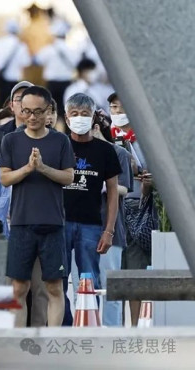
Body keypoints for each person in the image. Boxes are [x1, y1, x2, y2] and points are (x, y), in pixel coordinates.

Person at [0, 86, 75, 327]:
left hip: (53, 223)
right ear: (19, 110)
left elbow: (69, 177)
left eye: (38, 111)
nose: (32, 117)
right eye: (27, 111)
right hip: (21, 222)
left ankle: (53, 342)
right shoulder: (11, 140)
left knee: (54, 286)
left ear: (49, 111)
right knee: (19, 286)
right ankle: (17, 342)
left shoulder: (60, 140)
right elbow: (5, 178)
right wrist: (29, 168)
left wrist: (43, 168)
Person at [60, 93, 121, 326]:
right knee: (58, 278)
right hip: (61, 223)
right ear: (66, 118)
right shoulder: (59, 144)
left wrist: (109, 230)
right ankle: (64, 327)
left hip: (91, 225)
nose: (79, 118)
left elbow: (113, 191)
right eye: (74, 114)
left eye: (84, 114)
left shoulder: (105, 151)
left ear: (93, 116)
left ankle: (90, 328)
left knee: (89, 280)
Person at [108, 92, 151, 326]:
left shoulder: (145, 139)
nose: (118, 113)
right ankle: (113, 323)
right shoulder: (105, 136)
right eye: (114, 107)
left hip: (137, 204)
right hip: (111, 207)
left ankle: (134, 325)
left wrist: (139, 170)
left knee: (134, 268)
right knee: (113, 267)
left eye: (122, 108)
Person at [91, 110, 134, 327]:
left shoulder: (118, 153)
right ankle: (87, 331)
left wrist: (104, 185)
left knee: (110, 286)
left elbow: (126, 187)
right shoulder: (72, 151)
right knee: (86, 286)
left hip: (112, 227)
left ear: (96, 128)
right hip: (82, 226)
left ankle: (112, 331)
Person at [34, 20, 78, 122]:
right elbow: (76, 64)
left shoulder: (48, 49)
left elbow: (37, 60)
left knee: (50, 109)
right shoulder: (71, 49)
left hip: (52, 83)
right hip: (67, 83)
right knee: (67, 109)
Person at [0, 20, 31, 110]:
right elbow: (26, 62)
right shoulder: (21, 46)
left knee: (1, 105)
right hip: (14, 80)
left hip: (1, 79)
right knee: (14, 106)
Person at [0, 80, 33, 157]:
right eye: (19, 99)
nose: (23, 103)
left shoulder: (47, 132)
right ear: (11, 106)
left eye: (27, 98)